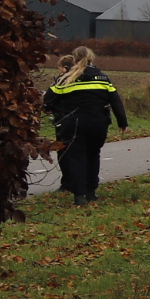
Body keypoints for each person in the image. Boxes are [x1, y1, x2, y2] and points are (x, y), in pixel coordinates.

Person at [45, 47, 129, 206]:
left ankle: (79, 196)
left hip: (73, 123)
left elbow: (48, 99)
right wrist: (122, 122)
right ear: (92, 58)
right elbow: (115, 101)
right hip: (97, 123)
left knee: (76, 157)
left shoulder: (66, 78)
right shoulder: (102, 77)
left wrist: (57, 110)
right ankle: (91, 192)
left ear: (74, 60)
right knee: (93, 155)